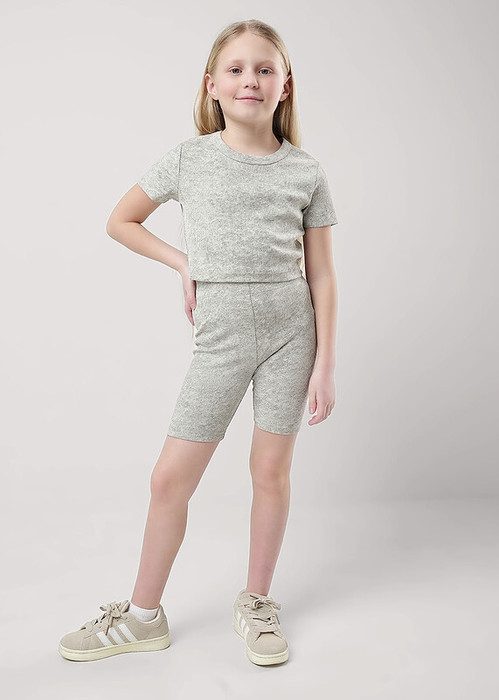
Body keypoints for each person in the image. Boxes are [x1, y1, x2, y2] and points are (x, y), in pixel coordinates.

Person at [59, 18, 339, 667]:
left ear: (285, 86)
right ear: (212, 84)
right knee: (168, 480)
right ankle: (142, 617)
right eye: (236, 69)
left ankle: (256, 603)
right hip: (220, 339)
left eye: (264, 69)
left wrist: (326, 361)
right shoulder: (189, 158)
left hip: (291, 334)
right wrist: (183, 262)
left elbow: (322, 273)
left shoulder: (305, 170)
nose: (250, 80)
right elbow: (121, 220)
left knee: (269, 472)